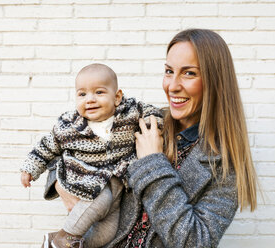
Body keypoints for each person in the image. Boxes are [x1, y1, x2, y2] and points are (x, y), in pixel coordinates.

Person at [101, 28, 258, 247]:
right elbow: (76, 140)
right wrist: (63, 186)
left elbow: (195, 241)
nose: (172, 86)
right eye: (168, 71)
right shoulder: (146, 123)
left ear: (215, 81)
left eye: (189, 73)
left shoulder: (225, 165)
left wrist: (152, 163)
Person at [20, 63, 163, 248]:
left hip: (118, 187)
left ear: (117, 97)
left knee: (108, 233)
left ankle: (57, 241)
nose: (90, 99)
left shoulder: (130, 112)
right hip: (87, 180)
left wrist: (155, 126)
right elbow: (47, 145)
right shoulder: (69, 125)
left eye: (99, 92)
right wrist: (30, 168)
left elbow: (152, 113)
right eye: (82, 94)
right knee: (100, 200)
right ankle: (66, 237)